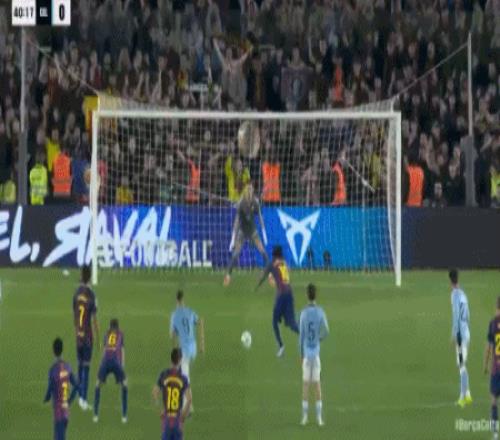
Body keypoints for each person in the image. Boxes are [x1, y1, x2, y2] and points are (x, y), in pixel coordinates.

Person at [256, 246, 299, 357]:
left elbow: (263, 276)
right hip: (289, 294)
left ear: (273, 255)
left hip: (281, 295)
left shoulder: (271, 264)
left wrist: (257, 285)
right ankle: (308, 336)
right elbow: (285, 274)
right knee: (291, 324)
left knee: (274, 321)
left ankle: (281, 347)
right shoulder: (284, 263)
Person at [224, 183, 269, 286]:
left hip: (253, 231)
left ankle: (270, 275)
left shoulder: (255, 202)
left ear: (252, 192)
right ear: (245, 192)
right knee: (236, 254)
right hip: (242, 232)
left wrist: (264, 233)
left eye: (251, 190)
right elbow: (236, 221)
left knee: (262, 251)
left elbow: (260, 217)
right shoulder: (241, 203)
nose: (249, 192)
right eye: (248, 190)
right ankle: (228, 276)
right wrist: (233, 239)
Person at [299, 284, 329, 427]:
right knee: (317, 385)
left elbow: (301, 336)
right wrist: (319, 338)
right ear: (315, 295)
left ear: (307, 295)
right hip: (316, 353)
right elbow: (326, 331)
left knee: (306, 385)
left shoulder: (304, 313)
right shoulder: (320, 312)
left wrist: (301, 354)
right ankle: (319, 418)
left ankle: (305, 417)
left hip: (306, 353)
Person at [170, 290, 205, 411]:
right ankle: (182, 401)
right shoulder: (190, 311)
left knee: (184, 377)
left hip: (184, 350)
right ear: (183, 299)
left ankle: (188, 407)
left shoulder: (174, 315)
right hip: (193, 348)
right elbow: (201, 322)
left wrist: (174, 350)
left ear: (176, 300)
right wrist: (202, 344)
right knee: (179, 373)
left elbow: (173, 335)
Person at [73, 265, 99, 410]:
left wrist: (76, 332)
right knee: (86, 368)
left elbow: (75, 316)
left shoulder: (76, 293)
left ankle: (79, 396)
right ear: (89, 277)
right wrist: (98, 338)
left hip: (78, 335)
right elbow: (94, 320)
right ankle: (83, 399)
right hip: (88, 337)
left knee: (79, 366)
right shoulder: (91, 295)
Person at [93, 319, 128, 424]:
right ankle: (124, 416)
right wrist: (122, 364)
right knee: (124, 385)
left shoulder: (106, 334)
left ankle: (95, 415)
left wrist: (101, 364)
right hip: (116, 362)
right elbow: (122, 350)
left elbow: (104, 350)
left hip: (106, 361)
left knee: (97, 385)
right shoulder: (120, 334)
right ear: (117, 326)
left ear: (110, 326)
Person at [153, 348, 192, 440]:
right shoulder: (183, 378)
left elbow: (154, 394)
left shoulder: (163, 375)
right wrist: (183, 415)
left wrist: (160, 410)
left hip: (166, 419)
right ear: (180, 360)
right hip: (177, 419)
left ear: (171, 359)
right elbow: (189, 399)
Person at [44, 338, 79, 440]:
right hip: (66, 411)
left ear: (53, 351)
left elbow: (50, 388)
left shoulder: (53, 369)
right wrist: (70, 400)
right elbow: (77, 385)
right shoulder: (67, 367)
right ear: (62, 349)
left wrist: (46, 398)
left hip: (58, 412)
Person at [450, 269, 472, 407]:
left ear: (450, 281)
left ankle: (462, 397)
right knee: (462, 363)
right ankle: (467, 394)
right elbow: (467, 315)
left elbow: (456, 315)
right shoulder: (463, 294)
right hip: (466, 332)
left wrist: (455, 334)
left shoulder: (454, 295)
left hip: (460, 335)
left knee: (461, 365)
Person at [483, 297, 500, 440]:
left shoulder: (493, 324)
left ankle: (495, 433)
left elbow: (488, 348)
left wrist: (485, 365)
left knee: (494, 399)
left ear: (496, 307)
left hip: (496, 368)